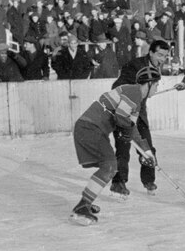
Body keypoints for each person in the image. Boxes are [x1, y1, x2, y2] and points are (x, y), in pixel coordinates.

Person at [69, 65, 161, 225]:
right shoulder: (134, 91)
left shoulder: (136, 101)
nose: (157, 88)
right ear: (149, 83)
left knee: (109, 166)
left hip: (89, 128)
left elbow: (132, 129)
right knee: (110, 165)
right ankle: (82, 206)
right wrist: (125, 129)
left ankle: (85, 203)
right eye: (157, 84)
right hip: (90, 128)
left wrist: (146, 151)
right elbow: (121, 116)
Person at [108, 39, 172, 196]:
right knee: (123, 148)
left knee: (147, 146)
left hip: (139, 112)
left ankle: (148, 180)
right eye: (159, 55)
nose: (162, 59)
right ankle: (118, 183)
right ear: (150, 52)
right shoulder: (135, 66)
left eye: (165, 56)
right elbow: (118, 86)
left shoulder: (157, 65)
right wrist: (133, 95)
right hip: (123, 110)